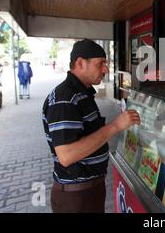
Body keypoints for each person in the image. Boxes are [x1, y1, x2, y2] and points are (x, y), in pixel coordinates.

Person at [42, 39, 141, 213]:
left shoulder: (82, 94)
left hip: (89, 189)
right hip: (76, 197)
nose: (105, 69)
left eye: (106, 64)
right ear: (80, 63)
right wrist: (116, 125)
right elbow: (67, 155)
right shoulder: (65, 98)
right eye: (100, 64)